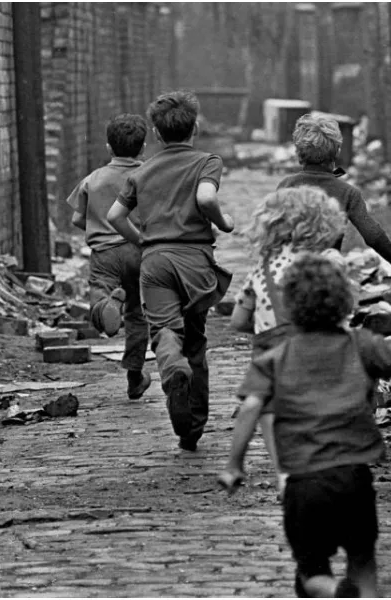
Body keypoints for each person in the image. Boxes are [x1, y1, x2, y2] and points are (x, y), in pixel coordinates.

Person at [218, 254, 391, 598]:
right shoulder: (361, 345)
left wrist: (234, 465)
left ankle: (333, 589)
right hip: (353, 479)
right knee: (363, 561)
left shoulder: (275, 357)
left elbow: (250, 408)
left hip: (303, 484)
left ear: (290, 307)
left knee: (310, 572)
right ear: (344, 302)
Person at [108, 90, 235, 452]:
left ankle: (170, 361)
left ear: (156, 134)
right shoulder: (207, 162)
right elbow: (207, 198)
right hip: (194, 260)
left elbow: (116, 217)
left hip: (156, 262)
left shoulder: (142, 170)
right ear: (195, 128)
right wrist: (224, 224)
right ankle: (191, 428)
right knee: (195, 340)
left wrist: (143, 239)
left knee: (165, 330)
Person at [230, 186, 349, 494]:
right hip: (313, 343)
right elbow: (341, 306)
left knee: (269, 408)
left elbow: (238, 320)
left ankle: (284, 471)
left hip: (270, 346)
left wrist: (263, 323)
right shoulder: (323, 262)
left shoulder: (262, 268)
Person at [65, 114, 153, 401]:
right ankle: (135, 377)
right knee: (138, 316)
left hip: (104, 253)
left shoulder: (94, 179)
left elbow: (78, 218)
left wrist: (97, 226)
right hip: (140, 251)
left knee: (99, 292)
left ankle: (106, 306)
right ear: (142, 149)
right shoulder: (148, 175)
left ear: (108, 147)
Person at [277, 113, 391, 282]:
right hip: (328, 278)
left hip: (290, 275)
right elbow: (373, 236)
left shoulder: (286, 186)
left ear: (298, 152)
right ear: (337, 151)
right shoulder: (347, 192)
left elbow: (273, 236)